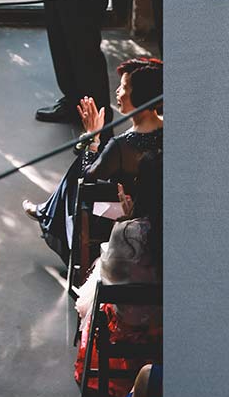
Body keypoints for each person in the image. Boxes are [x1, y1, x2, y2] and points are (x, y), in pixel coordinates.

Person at [24, 58, 163, 263]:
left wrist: (93, 138)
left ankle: (48, 214)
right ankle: (45, 210)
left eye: (124, 87)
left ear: (140, 96)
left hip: (127, 215)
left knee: (81, 170)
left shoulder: (122, 146)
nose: (117, 91)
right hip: (160, 212)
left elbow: (88, 180)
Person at [74, 152, 162, 397]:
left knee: (98, 281)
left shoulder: (127, 232)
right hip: (163, 326)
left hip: (128, 325)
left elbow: (110, 274)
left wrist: (127, 220)